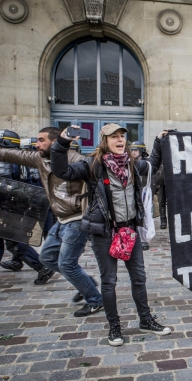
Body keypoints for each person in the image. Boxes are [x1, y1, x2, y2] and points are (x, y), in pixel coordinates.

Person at [51, 124, 171, 346]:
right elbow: (62, 172)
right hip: (105, 232)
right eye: (113, 136)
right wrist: (61, 143)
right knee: (109, 282)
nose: (119, 140)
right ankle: (114, 327)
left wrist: (158, 141)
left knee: (139, 278)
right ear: (104, 141)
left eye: (122, 136)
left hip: (129, 231)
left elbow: (152, 164)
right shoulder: (91, 165)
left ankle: (146, 320)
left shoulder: (133, 164)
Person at [0, 127, 104, 317]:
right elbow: (17, 156)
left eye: (41, 140)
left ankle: (95, 300)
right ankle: (85, 283)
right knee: (47, 258)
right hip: (61, 219)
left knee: (67, 264)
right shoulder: (40, 158)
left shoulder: (77, 160)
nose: (37, 144)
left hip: (77, 219)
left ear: (56, 142)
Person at [0, 130, 55, 286]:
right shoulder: (17, 158)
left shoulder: (4, 160)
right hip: (12, 206)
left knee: (12, 242)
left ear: (4, 143)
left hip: (5, 207)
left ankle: (41, 267)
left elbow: (4, 186)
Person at [130, 141, 151, 251]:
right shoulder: (129, 162)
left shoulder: (144, 163)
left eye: (136, 150)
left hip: (142, 192)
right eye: (132, 150)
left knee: (143, 216)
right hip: (132, 192)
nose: (133, 152)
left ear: (141, 151)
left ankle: (143, 239)